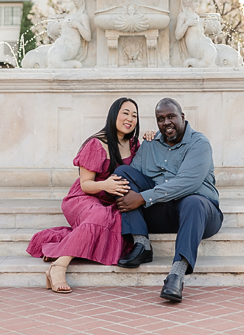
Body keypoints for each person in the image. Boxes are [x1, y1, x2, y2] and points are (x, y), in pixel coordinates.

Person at [27, 98, 145, 293]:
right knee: (99, 216)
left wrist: (153, 138)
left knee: (118, 224)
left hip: (110, 201)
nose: (130, 119)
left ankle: (58, 244)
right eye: (125, 113)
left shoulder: (133, 145)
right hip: (84, 196)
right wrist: (105, 185)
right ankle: (58, 267)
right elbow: (86, 184)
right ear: (114, 114)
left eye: (134, 115)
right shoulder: (96, 144)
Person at [114, 98, 223, 302]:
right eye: (161, 119)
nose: (166, 122)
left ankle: (176, 275)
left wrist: (143, 197)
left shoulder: (199, 143)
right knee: (122, 174)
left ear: (182, 117)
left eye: (171, 116)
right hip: (163, 212)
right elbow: (134, 175)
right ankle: (141, 244)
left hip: (199, 215)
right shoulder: (150, 144)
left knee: (193, 201)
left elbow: (187, 183)